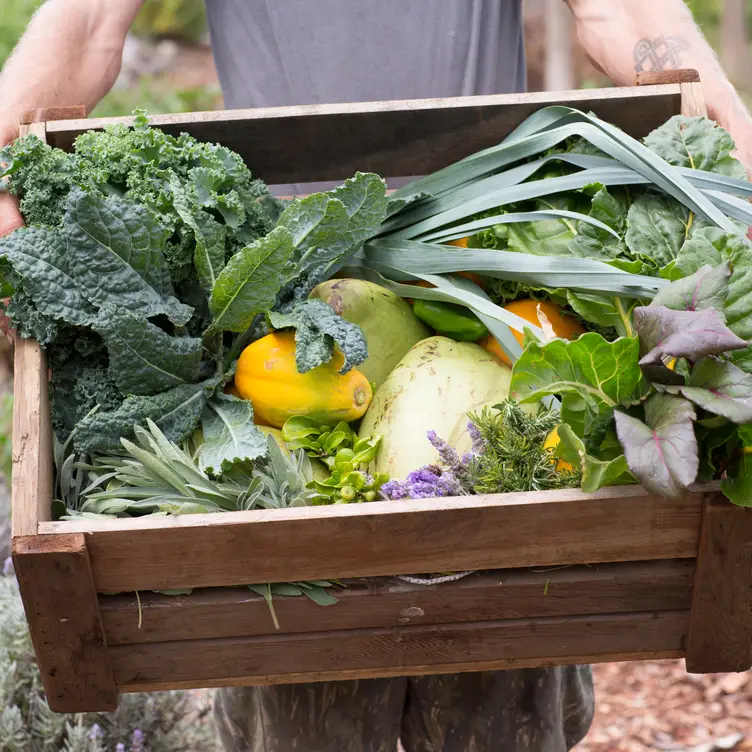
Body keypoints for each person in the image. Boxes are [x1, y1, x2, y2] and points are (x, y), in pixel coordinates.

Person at [1, 2, 751, 750]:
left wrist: (727, 149)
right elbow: (89, 20)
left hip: (487, 280)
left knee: (497, 701)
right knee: (310, 712)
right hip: (283, 300)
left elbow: (620, 11)